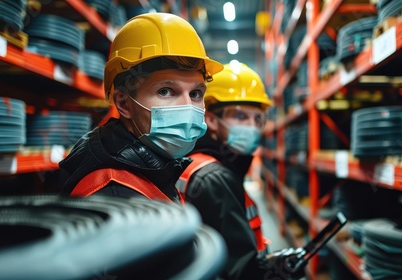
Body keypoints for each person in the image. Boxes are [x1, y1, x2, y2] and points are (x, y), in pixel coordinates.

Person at [49, 12, 223, 202]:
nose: (188, 108)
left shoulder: (156, 167)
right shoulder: (114, 197)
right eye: (165, 91)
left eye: (195, 94)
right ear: (124, 103)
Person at [178, 62, 305, 279]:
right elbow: (240, 273)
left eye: (257, 119)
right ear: (211, 120)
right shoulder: (216, 178)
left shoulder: (197, 161)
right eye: (239, 117)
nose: (251, 127)